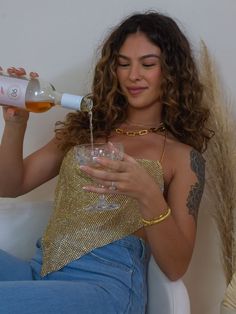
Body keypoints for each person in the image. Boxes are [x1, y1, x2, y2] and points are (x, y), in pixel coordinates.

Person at [0, 11, 213, 314]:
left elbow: (177, 266)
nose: (133, 75)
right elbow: (10, 185)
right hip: (41, 270)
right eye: (123, 64)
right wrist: (16, 123)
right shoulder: (85, 128)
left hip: (106, 285)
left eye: (148, 64)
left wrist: (147, 192)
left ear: (172, 72)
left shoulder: (182, 157)